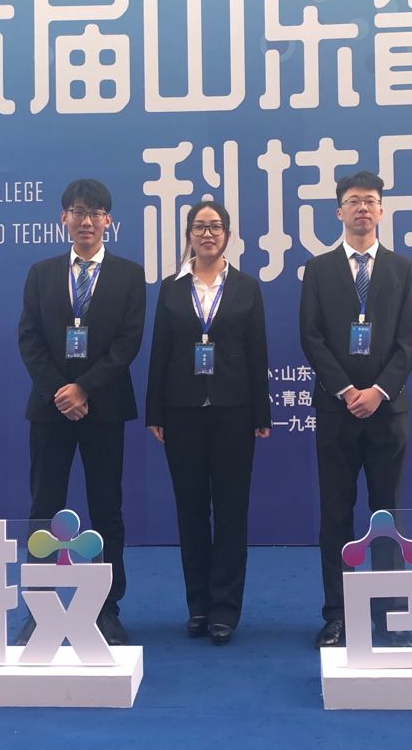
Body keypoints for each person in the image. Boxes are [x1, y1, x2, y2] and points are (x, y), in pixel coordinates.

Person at [16, 178, 146, 646]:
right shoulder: (41, 274)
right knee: (43, 508)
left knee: (106, 508)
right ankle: (39, 608)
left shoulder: (129, 275)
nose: (86, 221)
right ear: (64, 219)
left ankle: (107, 609)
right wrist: (62, 391)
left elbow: (127, 343)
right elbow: (29, 338)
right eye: (77, 212)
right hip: (51, 409)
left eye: (95, 213)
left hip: (104, 408)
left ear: (108, 221)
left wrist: (85, 388)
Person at [298, 170, 412, 649]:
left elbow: (409, 341)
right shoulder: (319, 269)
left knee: (387, 514)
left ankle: (392, 615)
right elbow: (311, 337)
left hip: (388, 412)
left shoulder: (402, 269)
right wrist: (348, 390)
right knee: (335, 514)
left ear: (382, 210)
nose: (362, 208)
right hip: (336, 411)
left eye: (370, 200)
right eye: (353, 201)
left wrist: (378, 391)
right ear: (339, 211)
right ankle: (338, 616)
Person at [146, 201, 271, 646]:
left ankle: (225, 609)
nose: (207, 233)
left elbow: (257, 351)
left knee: (232, 510)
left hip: (235, 410)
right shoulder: (170, 288)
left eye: (215, 226)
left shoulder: (246, 288)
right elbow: (159, 352)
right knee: (191, 509)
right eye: (199, 226)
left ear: (228, 235)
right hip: (181, 411)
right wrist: (155, 412)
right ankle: (197, 605)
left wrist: (261, 412)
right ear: (189, 234)